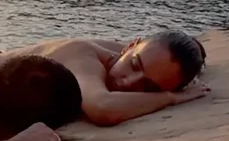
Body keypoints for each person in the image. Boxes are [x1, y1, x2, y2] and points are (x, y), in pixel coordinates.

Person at [11, 29, 208, 126]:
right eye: (134, 65)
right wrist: (169, 97)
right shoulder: (83, 56)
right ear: (131, 45)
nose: (127, 82)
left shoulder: (122, 53)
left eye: (147, 87)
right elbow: (102, 108)